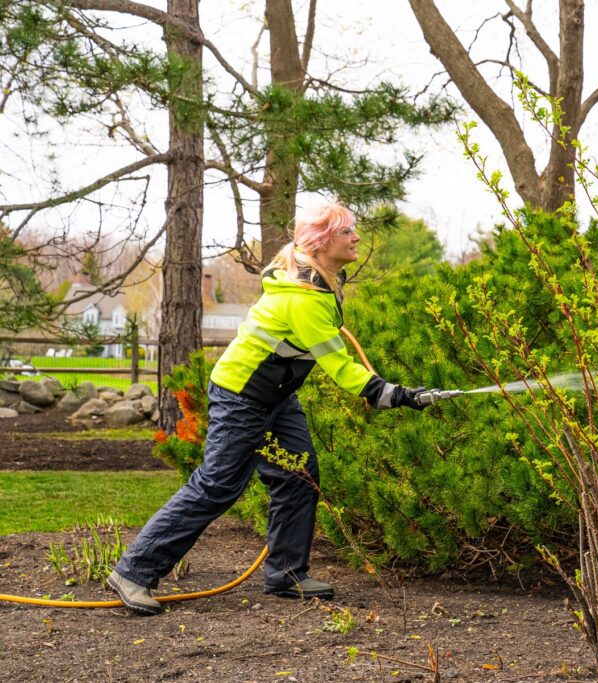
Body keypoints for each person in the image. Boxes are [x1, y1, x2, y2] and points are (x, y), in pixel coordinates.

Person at [107, 202, 431, 616]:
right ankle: (134, 572)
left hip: (277, 396)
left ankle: (286, 575)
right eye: (348, 231)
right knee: (217, 486)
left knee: (299, 476)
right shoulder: (306, 298)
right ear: (321, 241)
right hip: (241, 395)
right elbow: (341, 368)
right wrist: (399, 395)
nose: (357, 238)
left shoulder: (318, 283)